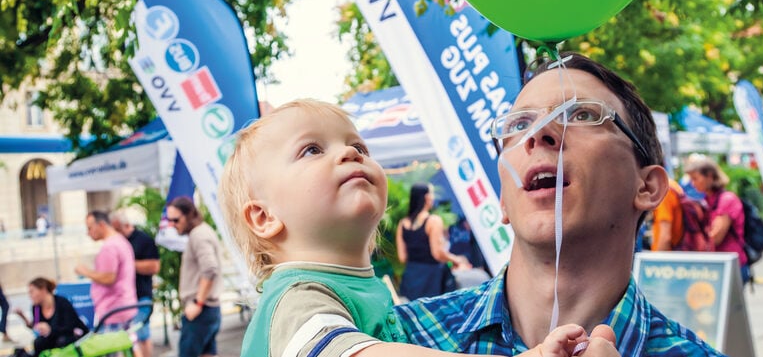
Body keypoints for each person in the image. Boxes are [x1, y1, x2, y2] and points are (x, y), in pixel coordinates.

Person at [392, 52, 724, 356]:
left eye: (581, 113)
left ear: (648, 187)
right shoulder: (398, 338)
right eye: (519, 125)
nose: (538, 133)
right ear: (503, 200)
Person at [218, 99, 592, 357]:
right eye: (312, 150)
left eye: (359, 147)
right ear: (264, 218)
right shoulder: (298, 296)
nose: (351, 153)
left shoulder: (352, 288)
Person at [166, 196, 222, 357]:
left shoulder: (199, 234)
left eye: (175, 220)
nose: (172, 225)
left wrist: (198, 302)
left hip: (201, 310)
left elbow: (210, 268)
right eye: (169, 220)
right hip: (207, 309)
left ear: (189, 214)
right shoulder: (202, 231)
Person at [396, 183, 471, 301]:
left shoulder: (403, 223)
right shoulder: (433, 221)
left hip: (411, 276)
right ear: (426, 198)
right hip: (431, 279)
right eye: (431, 193)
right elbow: (438, 253)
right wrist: (457, 259)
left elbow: (402, 257)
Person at [684, 156, 750, 283]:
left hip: (732, 266)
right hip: (718, 265)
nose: (693, 183)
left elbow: (716, 237)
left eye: (695, 178)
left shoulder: (727, 200)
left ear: (709, 176)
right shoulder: (708, 201)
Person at [110, 210, 161, 357]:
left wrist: (128, 264)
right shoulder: (116, 243)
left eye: (117, 229)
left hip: (140, 296)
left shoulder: (144, 240)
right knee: (125, 338)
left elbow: (155, 267)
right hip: (122, 299)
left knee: (141, 334)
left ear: (126, 226)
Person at [75, 210, 137, 327]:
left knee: (113, 344)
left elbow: (108, 278)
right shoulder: (121, 241)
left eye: (89, 228)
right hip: (124, 307)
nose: (88, 233)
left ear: (101, 225)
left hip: (113, 311)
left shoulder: (110, 247)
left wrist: (85, 272)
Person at [13, 277, 88, 356]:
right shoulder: (36, 308)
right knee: (38, 342)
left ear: (43, 290)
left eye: (32, 292)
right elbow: (36, 327)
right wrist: (23, 317)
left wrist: (50, 330)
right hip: (53, 337)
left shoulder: (62, 302)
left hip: (72, 336)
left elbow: (70, 327)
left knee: (62, 341)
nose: (30, 296)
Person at [650, 179, 685, 251]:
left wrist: (656, 261)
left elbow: (665, 237)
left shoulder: (664, 193)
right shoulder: (673, 186)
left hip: (667, 255)